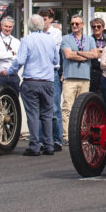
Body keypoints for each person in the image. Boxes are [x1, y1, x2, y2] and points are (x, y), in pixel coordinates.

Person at [4, 14, 60, 156]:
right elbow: (55, 60)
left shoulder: (27, 40)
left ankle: (35, 145)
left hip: (31, 81)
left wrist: (10, 71)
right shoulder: (50, 40)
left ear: (29, 26)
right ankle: (49, 145)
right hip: (47, 81)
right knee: (47, 114)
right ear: (42, 25)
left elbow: (20, 59)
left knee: (33, 114)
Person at [60, 15, 100, 142]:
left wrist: (77, 52)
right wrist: (85, 55)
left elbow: (95, 55)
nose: (75, 26)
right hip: (69, 77)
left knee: (83, 108)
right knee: (67, 107)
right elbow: (67, 55)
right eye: (72, 24)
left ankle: (81, 134)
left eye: (77, 24)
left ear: (82, 25)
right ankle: (67, 136)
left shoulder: (89, 39)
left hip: (85, 78)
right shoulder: (65, 38)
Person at [41, 9, 65, 145]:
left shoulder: (56, 33)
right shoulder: (35, 32)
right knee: (40, 109)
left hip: (52, 72)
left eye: (45, 18)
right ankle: (42, 140)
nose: (42, 22)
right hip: (39, 73)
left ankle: (57, 140)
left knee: (55, 107)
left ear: (50, 19)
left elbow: (51, 52)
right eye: (41, 19)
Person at [0, 16, 21, 92]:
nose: (8, 29)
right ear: (1, 26)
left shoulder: (16, 41)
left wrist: (5, 55)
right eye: (6, 26)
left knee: (14, 101)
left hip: (13, 77)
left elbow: (18, 58)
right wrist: (12, 53)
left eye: (10, 27)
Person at [88, 18, 106, 93]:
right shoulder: (88, 40)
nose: (96, 28)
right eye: (94, 27)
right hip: (93, 71)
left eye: (98, 26)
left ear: (103, 27)